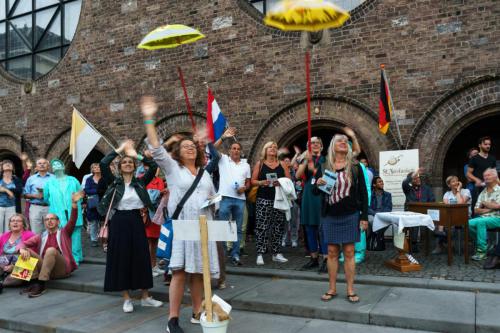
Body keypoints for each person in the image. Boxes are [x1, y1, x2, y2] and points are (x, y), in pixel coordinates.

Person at [141, 96, 220, 333]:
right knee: (179, 272)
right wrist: (149, 119)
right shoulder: (173, 169)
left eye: (192, 146)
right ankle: (172, 319)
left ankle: (197, 312)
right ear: (178, 152)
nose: (189, 148)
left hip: (203, 226)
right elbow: (155, 147)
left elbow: (212, 197)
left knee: (198, 271)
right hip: (182, 226)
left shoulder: (205, 175)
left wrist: (214, 202)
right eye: (185, 146)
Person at [98, 139, 163, 313]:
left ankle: (145, 297)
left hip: (136, 220)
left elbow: (152, 164)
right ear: (120, 167)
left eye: (130, 162)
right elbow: (104, 163)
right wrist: (120, 150)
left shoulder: (140, 182)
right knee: (122, 258)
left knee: (141, 257)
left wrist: (136, 154)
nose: (127, 164)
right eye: (124, 162)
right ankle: (127, 299)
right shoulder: (114, 182)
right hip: (119, 221)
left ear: (134, 166)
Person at [314, 134, 368, 303]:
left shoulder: (355, 166)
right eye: (339, 140)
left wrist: (364, 216)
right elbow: (315, 192)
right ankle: (332, 288)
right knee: (331, 252)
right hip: (330, 214)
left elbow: (363, 194)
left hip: (350, 214)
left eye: (346, 141)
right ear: (333, 146)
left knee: (350, 252)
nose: (343, 142)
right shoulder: (323, 166)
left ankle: (350, 289)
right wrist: (318, 184)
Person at [19, 191, 83, 297]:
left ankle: (41, 284)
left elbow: (72, 220)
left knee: (51, 250)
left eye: (52, 219)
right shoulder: (41, 236)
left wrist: (74, 204)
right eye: (47, 219)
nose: (49, 221)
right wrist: (22, 249)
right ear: (44, 223)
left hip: (61, 269)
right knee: (27, 250)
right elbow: (22, 244)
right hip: (45, 267)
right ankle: (31, 282)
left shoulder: (64, 232)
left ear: (58, 222)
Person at [214, 128, 251, 266]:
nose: (235, 151)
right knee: (223, 227)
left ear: (240, 151)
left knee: (238, 228)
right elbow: (211, 148)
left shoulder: (246, 165)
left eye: (238, 149)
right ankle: (222, 254)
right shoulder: (223, 159)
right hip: (224, 198)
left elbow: (248, 182)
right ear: (229, 151)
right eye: (233, 148)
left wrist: (245, 188)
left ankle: (235, 254)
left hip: (240, 199)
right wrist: (223, 137)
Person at [251, 141, 291, 266]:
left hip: (279, 199)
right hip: (263, 198)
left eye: (275, 147)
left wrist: (281, 182)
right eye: (270, 147)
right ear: (265, 150)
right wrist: (262, 182)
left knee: (278, 227)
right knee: (262, 226)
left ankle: (276, 253)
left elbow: (289, 180)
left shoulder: (282, 164)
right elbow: (253, 181)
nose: (273, 149)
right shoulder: (260, 164)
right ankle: (260, 253)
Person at [43, 159, 84, 264]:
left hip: (73, 209)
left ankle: (76, 257)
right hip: (57, 211)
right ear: (52, 169)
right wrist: (56, 204)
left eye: (58, 164)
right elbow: (46, 198)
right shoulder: (49, 183)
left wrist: (75, 201)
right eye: (54, 165)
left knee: (75, 234)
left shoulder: (73, 180)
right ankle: (65, 256)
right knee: (61, 234)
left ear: (63, 167)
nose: (56, 165)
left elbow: (80, 194)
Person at [296, 137, 326, 271]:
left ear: (321, 146)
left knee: (322, 229)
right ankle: (314, 258)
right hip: (308, 195)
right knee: (309, 228)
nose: (314, 144)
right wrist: (305, 159)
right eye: (311, 143)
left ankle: (326, 259)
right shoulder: (306, 159)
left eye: (317, 143)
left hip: (321, 195)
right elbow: (297, 175)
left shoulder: (326, 159)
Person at [433, 175, 472, 254]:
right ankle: (440, 244)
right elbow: (447, 207)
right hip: (450, 215)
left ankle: (445, 241)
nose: (456, 183)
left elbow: (461, 203)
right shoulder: (447, 194)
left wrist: (458, 191)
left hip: (464, 216)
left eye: (457, 180)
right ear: (449, 185)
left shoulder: (466, 191)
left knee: (445, 222)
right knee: (438, 221)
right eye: (453, 181)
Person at [468, 168, 500, 261]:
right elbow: (476, 210)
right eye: (484, 176)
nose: (485, 177)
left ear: (495, 177)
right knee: (467, 223)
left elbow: (498, 206)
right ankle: (485, 243)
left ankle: (481, 252)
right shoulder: (483, 192)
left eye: (488, 175)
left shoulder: (499, 190)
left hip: (497, 218)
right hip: (484, 217)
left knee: (481, 222)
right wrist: (491, 208)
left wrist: (485, 204)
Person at [402, 167, 435, 252]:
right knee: (412, 224)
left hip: (424, 213)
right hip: (410, 212)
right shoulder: (408, 189)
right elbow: (405, 182)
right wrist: (415, 172)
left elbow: (432, 199)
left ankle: (425, 244)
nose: (417, 180)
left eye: (418, 177)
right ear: (411, 181)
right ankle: (412, 243)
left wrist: (425, 206)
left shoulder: (427, 188)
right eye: (415, 178)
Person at [0, 214, 35, 288]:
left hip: (22, 264)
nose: (15, 222)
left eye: (18, 221)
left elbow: (32, 254)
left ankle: (3, 283)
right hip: (3, 265)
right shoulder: (4, 236)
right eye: (13, 221)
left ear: (23, 224)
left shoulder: (30, 235)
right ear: (9, 224)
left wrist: (13, 266)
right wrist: (3, 266)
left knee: (11, 279)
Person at [23, 158, 54, 234]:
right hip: (35, 207)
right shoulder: (31, 179)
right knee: (36, 233)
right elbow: (25, 194)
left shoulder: (54, 178)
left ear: (48, 166)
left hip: (50, 207)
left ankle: (49, 246)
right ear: (36, 166)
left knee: (51, 231)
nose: (42, 165)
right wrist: (35, 196)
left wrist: (47, 194)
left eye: (44, 163)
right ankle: (38, 246)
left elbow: (59, 193)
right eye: (40, 163)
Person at [467, 137, 496, 214]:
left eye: (489, 144)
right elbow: (468, 173)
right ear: (479, 145)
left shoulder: (492, 158)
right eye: (485, 144)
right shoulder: (474, 158)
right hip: (478, 188)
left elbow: (495, 174)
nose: (488, 146)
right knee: (477, 208)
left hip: (490, 187)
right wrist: (476, 180)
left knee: (491, 206)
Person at [84, 163, 105, 247]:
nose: (97, 168)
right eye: (95, 167)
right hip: (93, 203)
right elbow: (87, 190)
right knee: (93, 222)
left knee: (104, 222)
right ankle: (94, 239)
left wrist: (100, 191)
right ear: (92, 169)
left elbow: (107, 189)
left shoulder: (104, 178)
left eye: (98, 167)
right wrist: (98, 191)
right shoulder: (89, 179)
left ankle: (104, 238)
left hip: (103, 202)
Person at [0, 160, 23, 234]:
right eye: (5, 163)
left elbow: (19, 191)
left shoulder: (16, 180)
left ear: (13, 168)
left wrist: (4, 189)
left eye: (10, 163)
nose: (7, 164)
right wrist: (7, 191)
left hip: (12, 207)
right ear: (2, 167)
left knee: (9, 229)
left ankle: (7, 245)